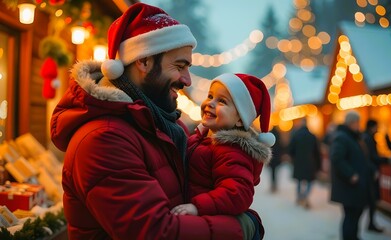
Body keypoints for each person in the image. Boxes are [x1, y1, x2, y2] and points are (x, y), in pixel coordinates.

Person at [50, 3, 261, 239]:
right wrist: (241, 227)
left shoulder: (168, 127)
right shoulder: (104, 138)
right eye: (179, 66)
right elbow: (156, 232)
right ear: (144, 62)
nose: (188, 80)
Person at [170, 73, 275, 239]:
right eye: (210, 96)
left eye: (222, 101)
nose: (210, 103)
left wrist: (198, 207)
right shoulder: (200, 139)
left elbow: (237, 193)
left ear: (240, 120)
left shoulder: (231, 150)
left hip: (209, 221)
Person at [330, 111, 371, 240]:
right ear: (352, 123)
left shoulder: (353, 136)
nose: (359, 125)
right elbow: (337, 158)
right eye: (357, 122)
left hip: (355, 185)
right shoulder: (342, 137)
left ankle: (354, 236)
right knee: (351, 215)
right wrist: (351, 174)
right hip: (349, 185)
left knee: (356, 212)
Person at [361, 119, 389, 232]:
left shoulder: (364, 137)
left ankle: (371, 223)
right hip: (371, 173)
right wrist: (387, 159)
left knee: (371, 200)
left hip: (368, 173)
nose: (377, 129)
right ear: (372, 127)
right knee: (372, 200)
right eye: (376, 126)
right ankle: (371, 224)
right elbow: (371, 156)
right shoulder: (368, 139)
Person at [288, 118, 321, 209]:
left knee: (299, 181)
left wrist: (293, 158)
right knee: (310, 181)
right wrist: (319, 165)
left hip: (298, 162)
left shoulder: (296, 135)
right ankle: (305, 196)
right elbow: (317, 152)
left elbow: (290, 149)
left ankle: (299, 197)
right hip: (310, 163)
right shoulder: (312, 136)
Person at [268, 126, 285, 193]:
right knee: (276, 172)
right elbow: (281, 146)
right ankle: (275, 185)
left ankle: (272, 185)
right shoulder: (279, 135)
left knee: (272, 172)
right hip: (277, 157)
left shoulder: (270, 137)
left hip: (271, 157)